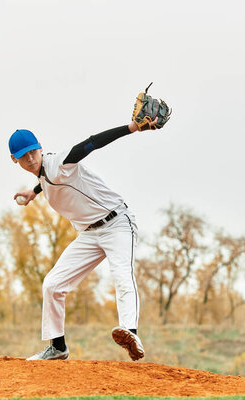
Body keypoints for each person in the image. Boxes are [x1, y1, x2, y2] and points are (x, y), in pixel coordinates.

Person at [9, 117, 159, 361]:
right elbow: (46, 179)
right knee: (52, 284)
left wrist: (131, 128)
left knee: (121, 276)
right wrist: (34, 192)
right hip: (89, 234)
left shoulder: (58, 162)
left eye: (32, 152)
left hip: (117, 223)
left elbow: (92, 143)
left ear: (40, 147)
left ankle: (130, 333)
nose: (30, 159)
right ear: (15, 159)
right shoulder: (44, 176)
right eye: (23, 156)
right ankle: (57, 347)